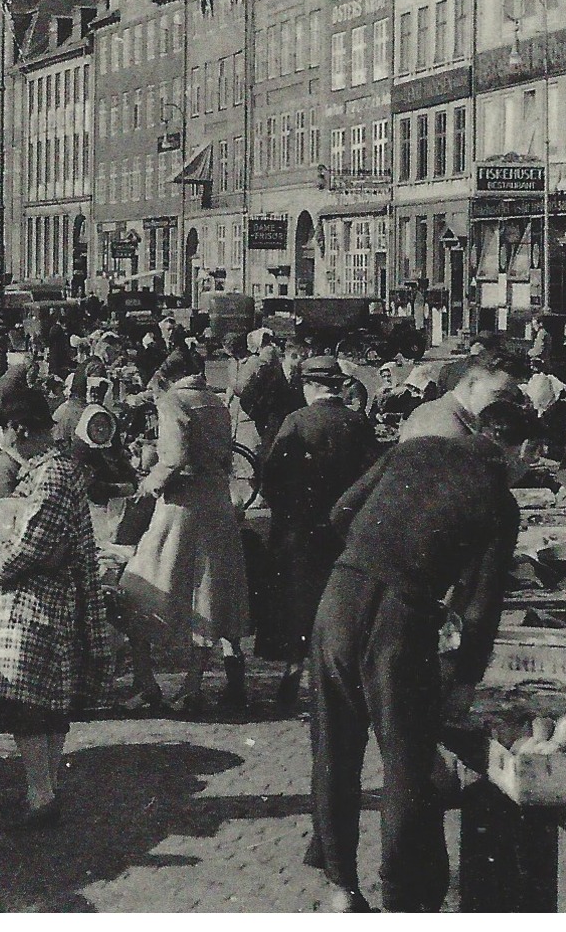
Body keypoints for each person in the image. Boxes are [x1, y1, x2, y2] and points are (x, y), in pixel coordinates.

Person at [305, 402, 533, 913]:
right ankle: (405, 900)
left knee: (333, 750)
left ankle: (340, 887)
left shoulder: (416, 450)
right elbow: (480, 603)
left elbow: (342, 511)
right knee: (407, 761)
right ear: (524, 451)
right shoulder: (500, 500)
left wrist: (380, 552)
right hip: (398, 620)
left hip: (338, 599)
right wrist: (464, 678)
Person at [0, 383, 112, 831]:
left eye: (3, 433)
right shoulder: (50, 471)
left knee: (30, 703)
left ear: (18, 429)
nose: (2, 443)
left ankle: (40, 794)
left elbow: (31, 547)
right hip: (47, 598)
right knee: (47, 702)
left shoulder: (52, 475)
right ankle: (44, 790)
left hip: (37, 602)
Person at [118, 347, 250, 711]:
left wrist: (150, 483)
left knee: (138, 592)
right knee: (209, 596)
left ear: (165, 375)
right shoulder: (215, 402)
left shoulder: (173, 402)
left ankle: (148, 685)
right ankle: (194, 686)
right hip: (217, 506)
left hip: (180, 509)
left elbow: (173, 457)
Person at [261, 356, 377, 707]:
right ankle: (343, 682)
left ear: (307, 386)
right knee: (342, 606)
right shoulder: (358, 423)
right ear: (339, 386)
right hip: (345, 534)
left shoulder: (296, 422)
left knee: (300, 604)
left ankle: (293, 673)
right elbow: (373, 479)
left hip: (301, 532)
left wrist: (288, 512)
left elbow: (270, 478)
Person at [398, 351, 527, 442]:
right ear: (472, 384)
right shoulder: (453, 434)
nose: (506, 406)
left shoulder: (435, 408)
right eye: (499, 395)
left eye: (511, 399)